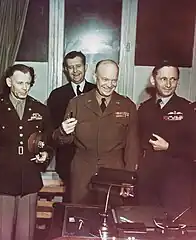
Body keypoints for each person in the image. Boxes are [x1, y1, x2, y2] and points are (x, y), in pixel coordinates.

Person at [0, 64, 54, 240]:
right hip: (2, 179)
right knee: (2, 233)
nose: (24, 87)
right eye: (20, 83)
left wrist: (46, 155)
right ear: (9, 82)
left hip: (29, 179)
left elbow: (49, 139)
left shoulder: (39, 109)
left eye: (28, 83)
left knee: (26, 234)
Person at [52, 59, 140, 205]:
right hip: (83, 172)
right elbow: (63, 141)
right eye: (105, 79)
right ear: (95, 76)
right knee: (81, 217)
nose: (109, 85)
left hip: (114, 172)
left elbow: (133, 146)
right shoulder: (77, 103)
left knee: (110, 218)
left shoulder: (127, 105)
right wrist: (63, 132)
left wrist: (128, 178)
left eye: (114, 80)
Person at [137, 61, 194, 216]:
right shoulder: (144, 108)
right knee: (146, 227)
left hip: (176, 185)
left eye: (173, 79)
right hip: (148, 183)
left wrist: (169, 147)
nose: (169, 84)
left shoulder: (188, 109)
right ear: (153, 80)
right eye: (163, 79)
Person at [47, 51, 95, 202]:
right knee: (71, 201)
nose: (75, 71)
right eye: (71, 67)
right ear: (65, 70)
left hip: (92, 158)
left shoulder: (96, 92)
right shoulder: (57, 95)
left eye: (78, 66)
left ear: (86, 67)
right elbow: (51, 130)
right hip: (67, 160)